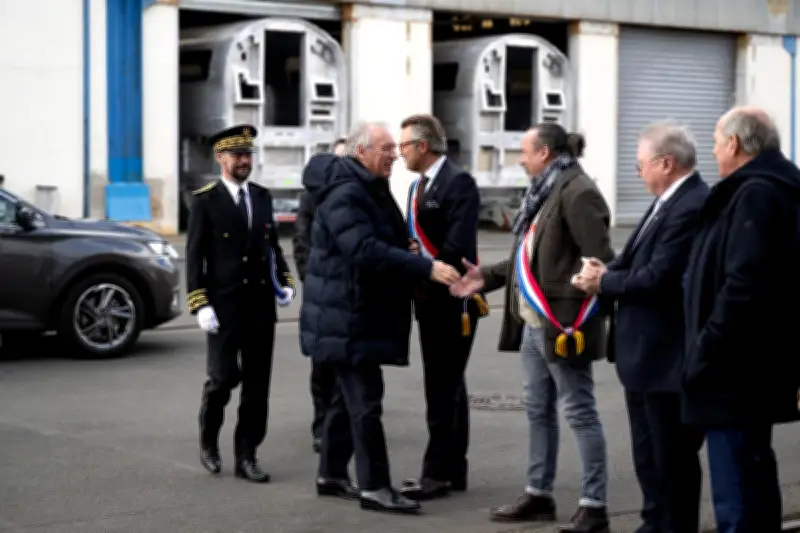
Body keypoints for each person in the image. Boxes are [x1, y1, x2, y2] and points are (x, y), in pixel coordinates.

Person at [450, 123, 614, 532]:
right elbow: (531, 260)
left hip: (561, 324)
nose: (520, 159)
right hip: (531, 324)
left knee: (579, 411)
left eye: (524, 152)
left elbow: (600, 262)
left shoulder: (578, 192)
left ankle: (594, 506)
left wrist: (575, 307)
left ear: (543, 153)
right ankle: (539, 494)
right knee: (539, 410)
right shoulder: (544, 192)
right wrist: (484, 277)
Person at [299, 122, 461, 514]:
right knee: (366, 403)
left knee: (344, 398)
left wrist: (399, 245)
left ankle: (331, 474)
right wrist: (422, 267)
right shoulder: (345, 192)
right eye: (386, 148)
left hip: (353, 311)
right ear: (361, 152)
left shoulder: (366, 185)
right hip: (347, 315)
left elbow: (375, 240)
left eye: (395, 148)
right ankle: (374, 487)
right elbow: (362, 249)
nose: (394, 154)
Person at [572, 121, 708, 533]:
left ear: (665, 163)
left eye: (640, 165)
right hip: (644, 358)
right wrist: (607, 270)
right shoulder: (666, 200)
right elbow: (638, 263)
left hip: (666, 356)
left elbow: (660, 278)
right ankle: (654, 522)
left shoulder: (691, 204)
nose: (637, 173)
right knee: (649, 458)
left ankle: (672, 525)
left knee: (672, 460)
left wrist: (604, 283)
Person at [681, 106, 800, 533]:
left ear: (734, 143)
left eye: (715, 141)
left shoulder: (756, 194)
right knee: (751, 475)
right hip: (745, 368)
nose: (713, 151)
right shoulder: (766, 189)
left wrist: (704, 349)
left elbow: (744, 286)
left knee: (738, 493)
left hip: (735, 370)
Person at [186, 124, 295, 483]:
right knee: (221, 379)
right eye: (237, 155)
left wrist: (285, 281)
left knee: (257, 386)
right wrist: (200, 303)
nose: (245, 161)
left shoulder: (262, 197)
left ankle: (247, 454)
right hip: (223, 308)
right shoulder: (204, 200)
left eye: (248, 154)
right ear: (221, 158)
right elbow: (194, 257)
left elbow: (273, 247)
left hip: (260, 307)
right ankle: (208, 441)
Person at [395, 114, 487, 501]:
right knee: (449, 385)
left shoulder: (457, 182)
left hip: (451, 301)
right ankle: (454, 468)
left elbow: (457, 243)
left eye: (403, 146)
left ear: (422, 146)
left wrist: (427, 265)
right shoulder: (419, 186)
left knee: (441, 385)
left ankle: (435, 475)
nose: (399, 153)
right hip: (428, 298)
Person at [292, 136, 347, 453]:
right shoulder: (311, 198)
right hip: (320, 293)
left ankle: (342, 422)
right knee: (322, 366)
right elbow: (301, 242)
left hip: (347, 296)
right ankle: (321, 425)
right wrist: (312, 280)